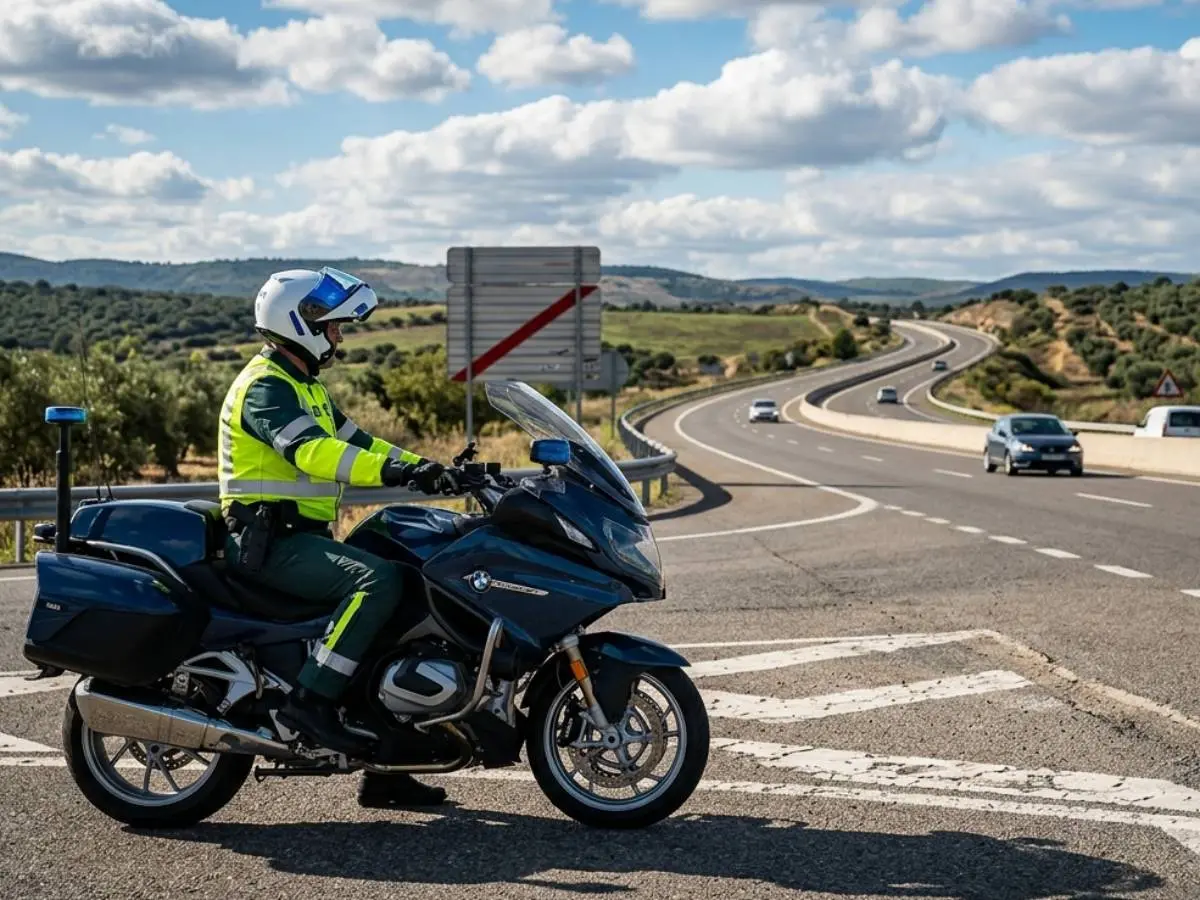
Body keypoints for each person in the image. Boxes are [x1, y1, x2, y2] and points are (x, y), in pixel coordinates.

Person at [217, 266, 456, 809]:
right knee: (377, 582)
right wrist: (400, 474)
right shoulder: (266, 387)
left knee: (410, 580)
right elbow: (312, 453)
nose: (339, 337)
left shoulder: (307, 387)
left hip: (299, 537)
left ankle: (389, 761)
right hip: (268, 543)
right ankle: (311, 702)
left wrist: (432, 470)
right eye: (333, 326)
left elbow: (362, 443)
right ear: (300, 322)